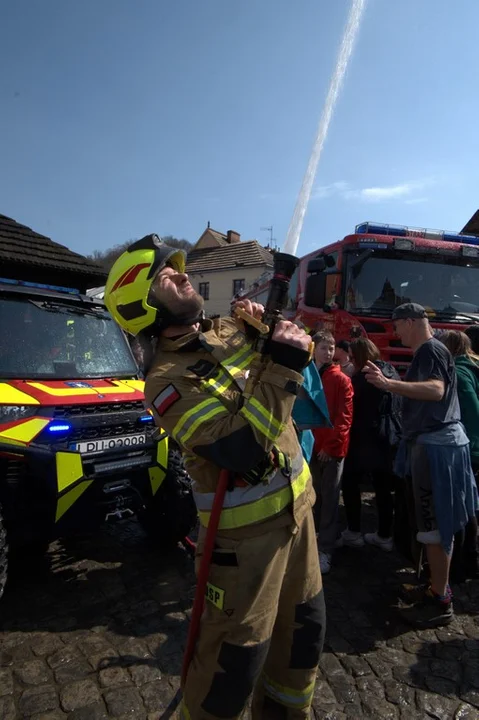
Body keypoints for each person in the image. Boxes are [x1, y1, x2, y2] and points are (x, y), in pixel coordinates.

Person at [104, 235, 326, 720]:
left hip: (300, 516)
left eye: (178, 268)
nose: (184, 275)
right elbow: (240, 447)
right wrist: (284, 366)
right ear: (143, 308)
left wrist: (275, 337)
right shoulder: (166, 381)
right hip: (243, 545)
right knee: (232, 671)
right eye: (166, 276)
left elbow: (290, 382)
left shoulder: (232, 330)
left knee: (304, 640)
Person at [364, 303, 479, 628]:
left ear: (412, 322)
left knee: (434, 524)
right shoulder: (433, 350)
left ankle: (439, 600)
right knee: (433, 523)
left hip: (437, 449)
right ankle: (433, 588)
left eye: (398, 325)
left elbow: (435, 390)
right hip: (437, 445)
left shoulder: (429, 349)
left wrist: (390, 385)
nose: (395, 331)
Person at [338, 338, 401, 552]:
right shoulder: (390, 370)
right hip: (388, 435)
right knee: (382, 488)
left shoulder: (364, 378)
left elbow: (350, 404)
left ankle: (353, 531)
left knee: (350, 482)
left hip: (364, 436)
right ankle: (384, 534)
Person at [310, 331, 353, 574]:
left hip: (331, 449)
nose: (328, 352)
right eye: (324, 347)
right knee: (313, 496)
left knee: (329, 500)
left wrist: (331, 446)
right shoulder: (308, 374)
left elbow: (344, 418)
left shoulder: (341, 380)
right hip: (312, 445)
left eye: (331, 348)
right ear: (314, 349)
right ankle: (319, 538)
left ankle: (325, 547)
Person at [440, 330, 479, 579]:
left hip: (469, 448)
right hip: (472, 446)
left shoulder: (461, 374)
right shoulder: (472, 366)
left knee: (466, 507)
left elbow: (473, 413)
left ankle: (465, 563)